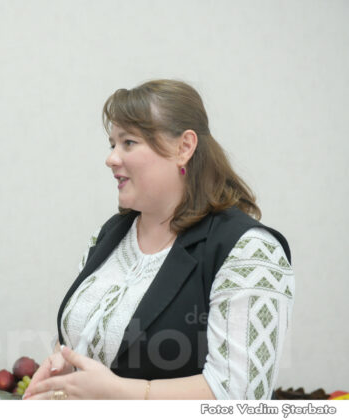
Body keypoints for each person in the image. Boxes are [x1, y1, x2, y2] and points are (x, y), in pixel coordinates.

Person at [25, 80, 294, 400]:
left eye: (129, 142)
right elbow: (88, 342)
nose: (111, 158)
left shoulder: (248, 250)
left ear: (184, 147)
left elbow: (241, 395)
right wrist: (64, 365)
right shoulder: (110, 235)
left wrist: (123, 394)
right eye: (112, 144)